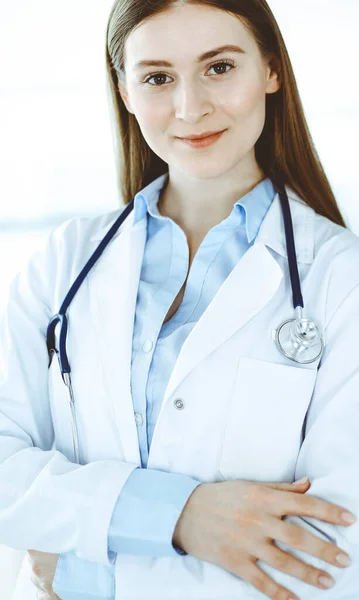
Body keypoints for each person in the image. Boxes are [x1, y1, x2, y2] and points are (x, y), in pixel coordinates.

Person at [1, 1, 358, 599]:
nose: (191, 108)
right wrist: (180, 514)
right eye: (158, 77)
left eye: (219, 67)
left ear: (271, 70)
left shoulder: (340, 279)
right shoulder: (64, 262)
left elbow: (332, 552)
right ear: (125, 91)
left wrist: (79, 563)